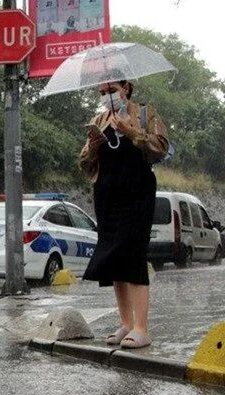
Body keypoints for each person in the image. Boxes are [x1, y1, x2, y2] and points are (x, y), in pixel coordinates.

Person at [78, 80, 170, 349]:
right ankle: (126, 323)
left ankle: (142, 328)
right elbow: (84, 164)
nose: (107, 96)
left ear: (126, 88)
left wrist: (131, 132)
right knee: (114, 257)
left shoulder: (145, 114)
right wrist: (93, 145)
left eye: (111, 90)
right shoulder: (99, 119)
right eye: (102, 93)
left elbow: (161, 147)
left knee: (133, 254)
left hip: (137, 192)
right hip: (107, 194)